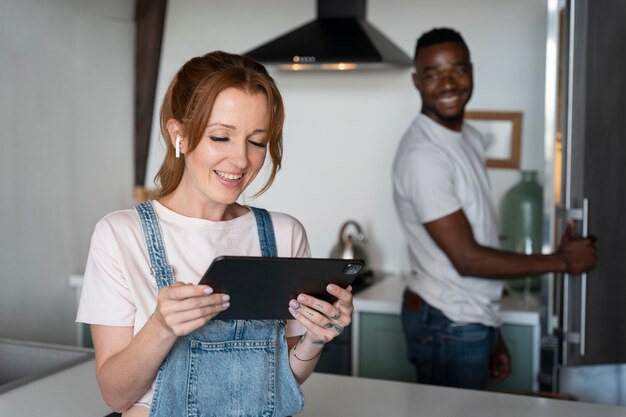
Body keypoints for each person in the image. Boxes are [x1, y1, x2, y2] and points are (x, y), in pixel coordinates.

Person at [76, 51, 353, 417]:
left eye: (256, 141)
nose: (241, 160)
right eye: (221, 137)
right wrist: (161, 326)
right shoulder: (121, 235)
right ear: (180, 135)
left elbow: (281, 381)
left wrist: (315, 338)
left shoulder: (285, 234)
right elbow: (114, 395)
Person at [392, 28, 596, 390]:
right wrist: (563, 261)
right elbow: (468, 259)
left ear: (471, 70)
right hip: (446, 322)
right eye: (433, 74)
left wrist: (491, 327)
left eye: (457, 69)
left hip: (466, 318)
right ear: (416, 81)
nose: (448, 83)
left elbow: (479, 236)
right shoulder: (424, 155)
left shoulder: (467, 136)